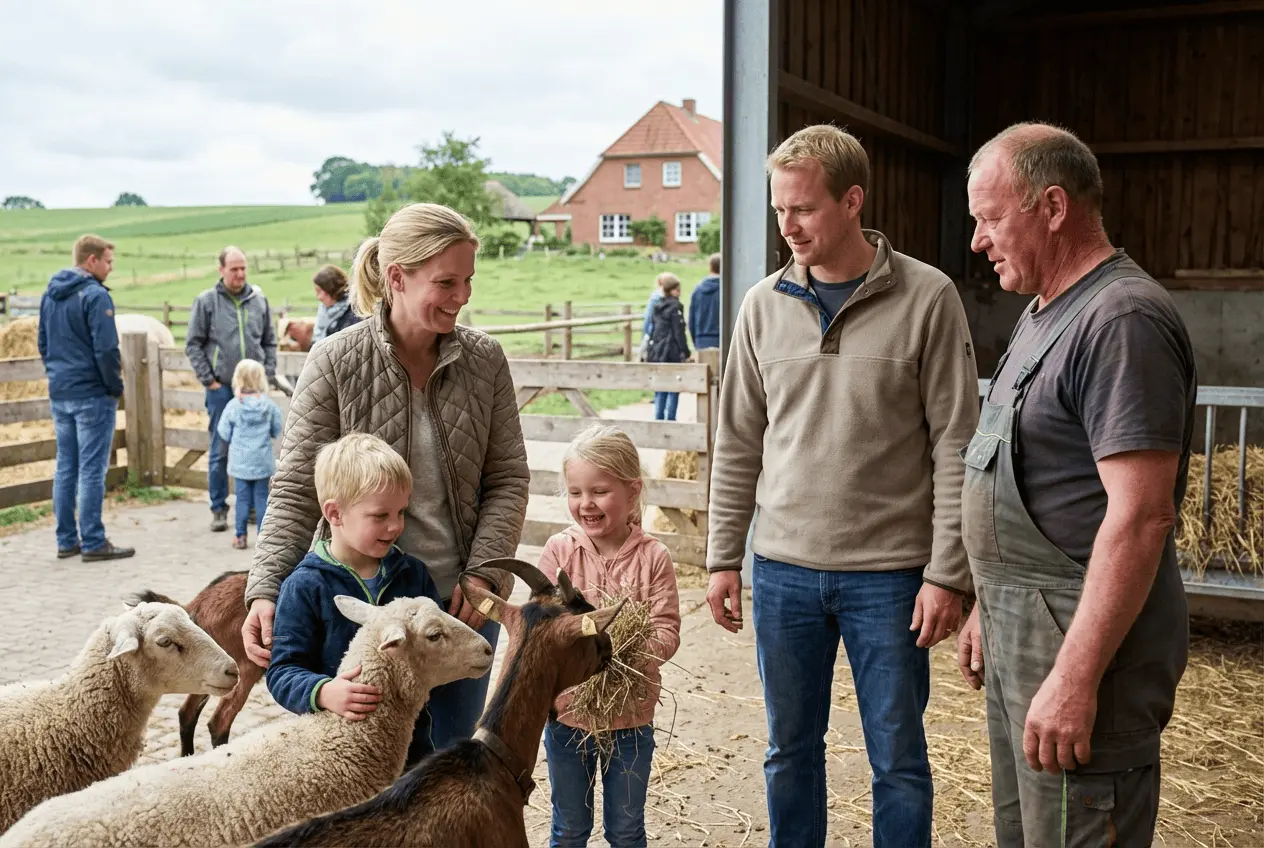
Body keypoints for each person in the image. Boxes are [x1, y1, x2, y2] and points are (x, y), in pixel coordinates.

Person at [704, 124, 979, 848]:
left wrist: (948, 571)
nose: (788, 226)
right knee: (788, 750)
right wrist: (722, 556)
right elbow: (737, 440)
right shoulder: (762, 306)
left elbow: (957, 441)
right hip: (784, 570)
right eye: (778, 211)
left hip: (890, 576)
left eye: (804, 209)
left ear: (852, 200)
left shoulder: (928, 297)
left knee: (898, 760)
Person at [956, 122, 1196, 846]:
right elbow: (1043, 477)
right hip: (1024, 628)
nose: (977, 240)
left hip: (1079, 644)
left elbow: (1142, 516)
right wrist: (989, 602)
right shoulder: (1041, 313)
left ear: (1053, 207)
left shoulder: (1121, 319)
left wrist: (1075, 676)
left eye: (991, 218)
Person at [242, 202, 530, 764]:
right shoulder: (334, 361)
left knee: (449, 767)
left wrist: (486, 575)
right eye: (446, 282)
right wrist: (265, 587)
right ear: (396, 278)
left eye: (468, 280)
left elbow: (508, 478)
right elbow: (299, 486)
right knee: (360, 770)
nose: (462, 296)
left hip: (456, 605)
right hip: (362, 612)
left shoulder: (485, 361)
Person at [536, 425, 681, 848]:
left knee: (626, 829)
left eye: (599, 491)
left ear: (632, 491)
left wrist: (627, 651)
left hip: (631, 717)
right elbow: (541, 627)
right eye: (575, 492)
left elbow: (666, 629)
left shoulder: (653, 557)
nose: (586, 503)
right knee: (569, 829)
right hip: (567, 715)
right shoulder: (559, 553)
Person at [264, 432, 444, 767]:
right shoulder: (305, 587)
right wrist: (322, 692)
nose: (395, 527)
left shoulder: (412, 575)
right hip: (335, 755)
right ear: (335, 513)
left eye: (401, 512)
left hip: (410, 749)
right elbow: (283, 671)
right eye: (380, 516)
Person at [37, 234, 134, 562]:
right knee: (92, 469)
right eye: (107, 261)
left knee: (66, 465)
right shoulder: (95, 296)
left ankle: (66, 539)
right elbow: (106, 349)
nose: (110, 267)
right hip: (92, 393)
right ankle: (93, 540)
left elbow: (43, 343)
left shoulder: (50, 295)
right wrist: (113, 386)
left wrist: (56, 375)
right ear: (91, 260)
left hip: (61, 391)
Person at [185, 247, 278, 533]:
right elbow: (193, 344)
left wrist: (268, 375)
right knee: (221, 449)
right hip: (222, 389)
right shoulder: (207, 302)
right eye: (234, 269)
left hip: (255, 390)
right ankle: (219, 508)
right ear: (221, 269)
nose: (239, 274)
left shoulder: (258, 300)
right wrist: (209, 380)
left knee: (256, 448)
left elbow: (269, 341)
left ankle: (250, 507)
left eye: (243, 268)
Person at [215, 359, 283, 550]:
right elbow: (277, 429)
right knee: (262, 499)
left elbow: (223, 432)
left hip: (240, 463)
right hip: (262, 462)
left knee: (242, 500)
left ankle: (240, 536)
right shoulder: (269, 406)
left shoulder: (234, 406)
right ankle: (263, 538)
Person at [646, 273, 690, 422]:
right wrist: (685, 351)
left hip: (657, 351)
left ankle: (658, 420)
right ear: (674, 290)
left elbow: (651, 329)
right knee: (673, 387)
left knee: (660, 386)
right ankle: (671, 421)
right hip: (671, 351)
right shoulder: (675, 307)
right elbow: (679, 332)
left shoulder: (657, 306)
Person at [310, 264, 362, 345]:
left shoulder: (354, 314)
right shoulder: (324, 311)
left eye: (319, 291)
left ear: (330, 289)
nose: (318, 297)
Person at [687, 252, 721, 350]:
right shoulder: (726, 290)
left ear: (710, 267)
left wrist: (695, 340)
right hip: (723, 337)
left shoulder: (697, 290)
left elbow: (691, 319)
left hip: (701, 338)